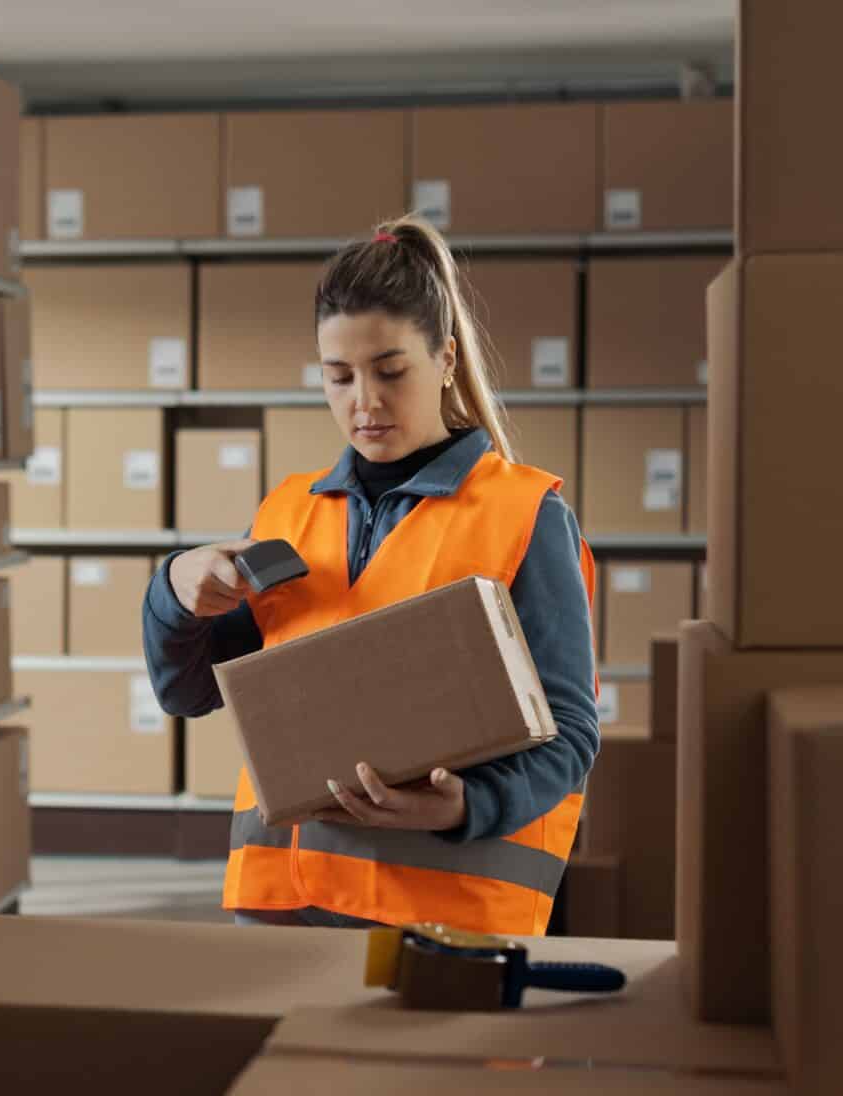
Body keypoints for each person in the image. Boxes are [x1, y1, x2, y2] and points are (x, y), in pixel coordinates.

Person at [141, 214, 599, 935]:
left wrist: (467, 805)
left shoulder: (525, 515)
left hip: (441, 922)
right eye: (339, 376)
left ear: (445, 359)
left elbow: (570, 734)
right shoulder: (287, 513)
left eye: (390, 371)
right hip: (280, 910)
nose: (364, 401)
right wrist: (173, 591)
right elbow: (189, 691)